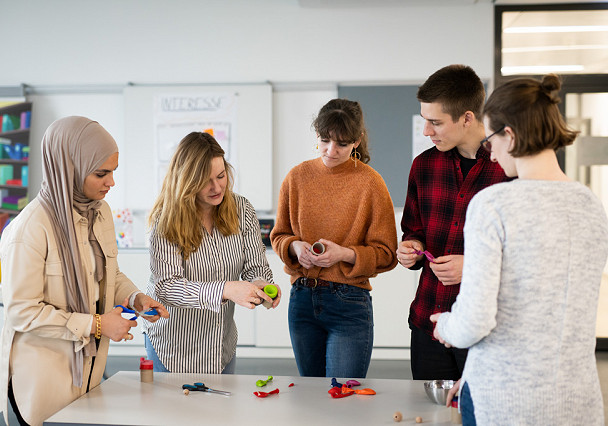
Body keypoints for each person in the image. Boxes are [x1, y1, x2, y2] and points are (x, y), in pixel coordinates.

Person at [431, 74, 608, 425]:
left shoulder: (493, 205)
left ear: (509, 135)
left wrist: (446, 325)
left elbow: (473, 323)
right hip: (577, 400)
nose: (490, 152)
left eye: (491, 139)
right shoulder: (591, 204)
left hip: (507, 403)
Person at [0, 116, 169, 426]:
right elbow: (22, 311)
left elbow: (107, 274)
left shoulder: (99, 213)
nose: (111, 182)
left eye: (113, 171)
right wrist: (98, 325)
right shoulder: (30, 228)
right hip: (42, 379)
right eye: (101, 173)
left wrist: (136, 298)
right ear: (69, 168)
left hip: (88, 373)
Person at [270, 98, 398, 378]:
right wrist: (294, 246)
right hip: (303, 298)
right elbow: (278, 235)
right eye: (325, 140)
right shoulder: (297, 177)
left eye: (341, 143)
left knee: (344, 401)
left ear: (357, 141)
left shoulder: (370, 183)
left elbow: (387, 253)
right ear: (317, 134)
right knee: (311, 398)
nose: (331, 150)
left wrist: (345, 254)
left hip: (349, 303)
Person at [396, 65, 509, 380]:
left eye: (435, 123)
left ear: (468, 118)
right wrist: (411, 247)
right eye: (424, 121)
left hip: (486, 328)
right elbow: (414, 230)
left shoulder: (508, 169)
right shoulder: (424, 166)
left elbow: (526, 253)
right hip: (428, 321)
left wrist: (472, 264)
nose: (426, 132)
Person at [144, 131, 278, 374]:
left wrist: (261, 285)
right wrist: (225, 289)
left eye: (221, 175)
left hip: (221, 347)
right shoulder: (166, 220)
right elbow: (167, 286)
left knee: (222, 412)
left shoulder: (242, 209)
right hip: (174, 349)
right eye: (206, 181)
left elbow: (255, 266)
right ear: (187, 180)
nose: (217, 187)